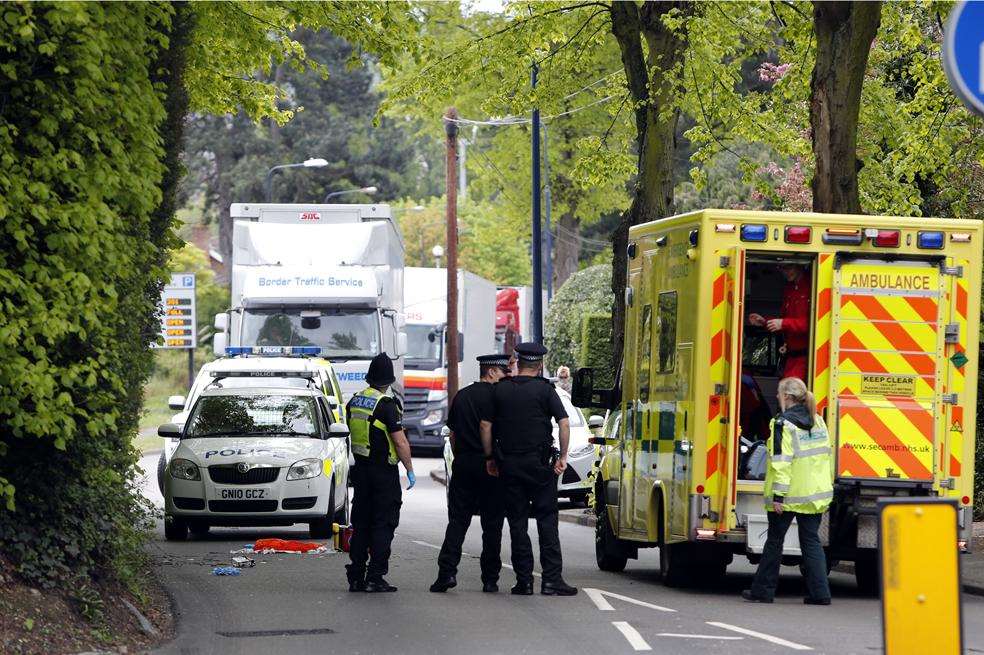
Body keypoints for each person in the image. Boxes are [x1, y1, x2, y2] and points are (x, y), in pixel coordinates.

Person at [481, 342, 577, 597]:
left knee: (517, 523)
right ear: (540, 365)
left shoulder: (501, 390)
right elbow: (564, 423)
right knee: (547, 520)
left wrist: (490, 457)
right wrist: (563, 456)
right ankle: (551, 580)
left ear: (518, 362)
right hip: (540, 466)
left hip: (509, 465)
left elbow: (486, 426)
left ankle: (523, 582)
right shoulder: (546, 390)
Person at [742, 377, 834, 605]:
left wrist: (778, 496)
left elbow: (781, 462)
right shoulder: (819, 421)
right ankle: (820, 594)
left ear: (787, 397)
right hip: (815, 493)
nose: (776, 397)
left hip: (789, 494)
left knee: (774, 541)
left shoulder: (783, 424)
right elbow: (825, 457)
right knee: (811, 542)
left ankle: (762, 591)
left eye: (779, 394)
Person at [430, 354, 511, 593]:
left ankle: (446, 573)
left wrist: (461, 456)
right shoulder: (500, 398)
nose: (506, 377)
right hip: (492, 466)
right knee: (492, 524)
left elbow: (453, 434)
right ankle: (490, 579)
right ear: (492, 372)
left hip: (464, 463)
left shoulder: (462, 396)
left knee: (457, 521)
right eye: (504, 372)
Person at [345, 352, 416, 593]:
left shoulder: (354, 401)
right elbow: (400, 442)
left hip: (361, 472)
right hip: (383, 474)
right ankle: (376, 576)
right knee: (383, 524)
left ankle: (356, 575)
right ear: (388, 380)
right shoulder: (387, 405)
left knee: (361, 523)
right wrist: (409, 469)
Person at [749, 263, 810, 382]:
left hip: (804, 357)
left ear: (800, 265)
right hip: (791, 357)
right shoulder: (790, 288)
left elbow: (813, 324)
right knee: (785, 391)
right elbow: (784, 320)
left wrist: (783, 323)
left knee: (789, 394)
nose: (785, 272)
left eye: (789, 267)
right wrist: (764, 322)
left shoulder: (813, 285)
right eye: (782, 268)